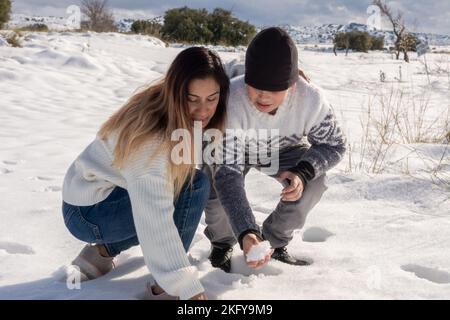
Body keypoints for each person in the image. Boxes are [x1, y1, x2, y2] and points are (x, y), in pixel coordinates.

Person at [61, 47, 229, 300]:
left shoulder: (169, 101)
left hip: (110, 195)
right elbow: (154, 218)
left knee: (187, 184)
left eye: (212, 98)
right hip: (87, 211)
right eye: (192, 99)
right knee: (192, 187)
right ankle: (165, 288)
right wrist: (184, 287)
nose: (203, 110)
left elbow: (232, 78)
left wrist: (277, 78)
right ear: (175, 92)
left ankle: (103, 252)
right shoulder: (152, 139)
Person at [204, 27, 347, 272]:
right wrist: (246, 231)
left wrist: (302, 172)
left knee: (312, 183)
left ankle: (275, 241)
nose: (263, 96)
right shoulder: (232, 101)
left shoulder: (311, 100)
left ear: (292, 84)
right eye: (256, 85)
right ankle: (222, 242)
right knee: (215, 186)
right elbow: (228, 176)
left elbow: (335, 144)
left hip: (282, 148)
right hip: (236, 147)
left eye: (275, 88)